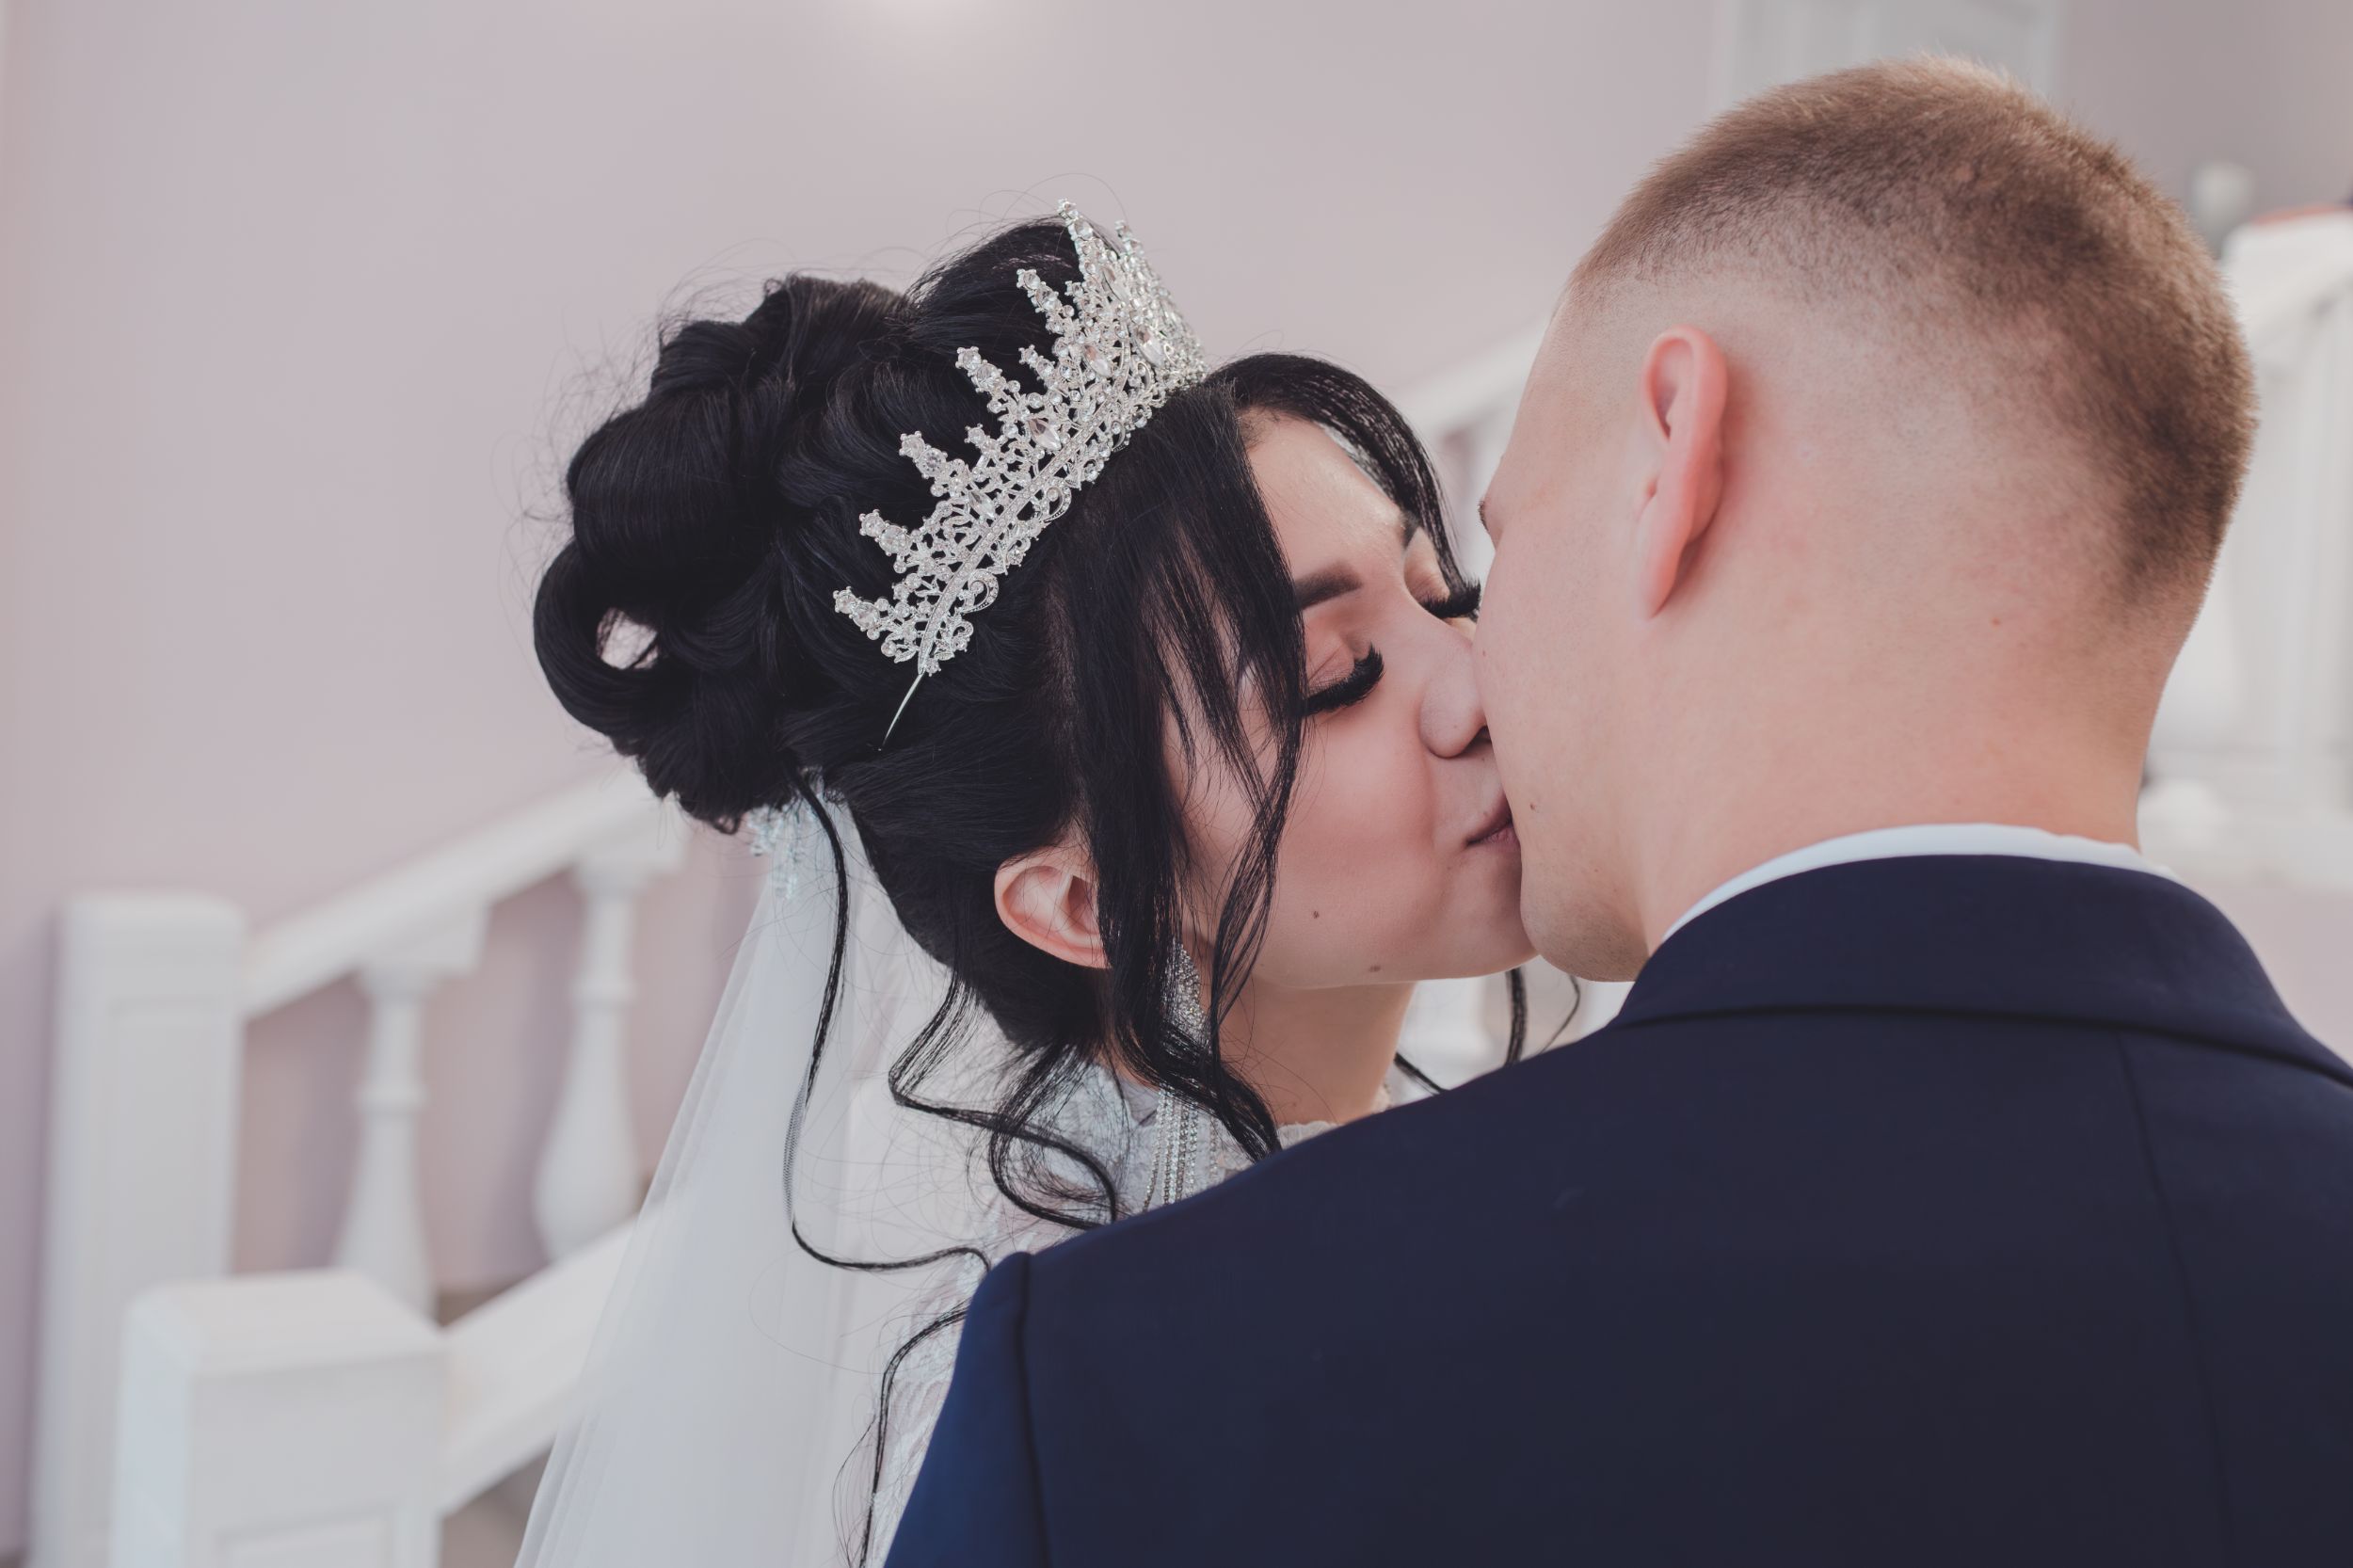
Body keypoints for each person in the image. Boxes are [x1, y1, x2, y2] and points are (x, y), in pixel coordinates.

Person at [886, 59, 2353, 1567]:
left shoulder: (1148, 1378)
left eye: (1475, 567)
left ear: (1675, 455)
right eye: (1337, 674)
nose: (1475, 678)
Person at [516, 204, 1539, 1567]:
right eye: (1336, 678)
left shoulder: (1496, 1178)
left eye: (1444, 592)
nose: (1479, 680)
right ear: (1085, 901)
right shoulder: (1043, 1394)